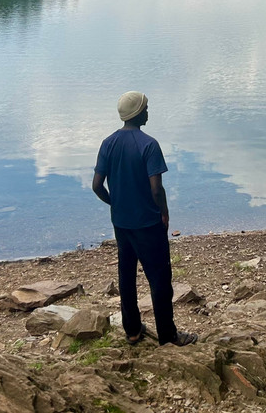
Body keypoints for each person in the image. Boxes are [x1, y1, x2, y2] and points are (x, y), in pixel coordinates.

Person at [92, 91, 197, 347]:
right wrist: (164, 211)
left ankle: (133, 331)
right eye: (146, 108)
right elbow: (156, 189)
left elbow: (96, 185)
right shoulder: (149, 144)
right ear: (138, 113)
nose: (148, 112)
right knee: (159, 280)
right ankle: (167, 335)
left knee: (126, 276)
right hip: (149, 224)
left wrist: (115, 204)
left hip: (121, 223)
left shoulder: (108, 143)